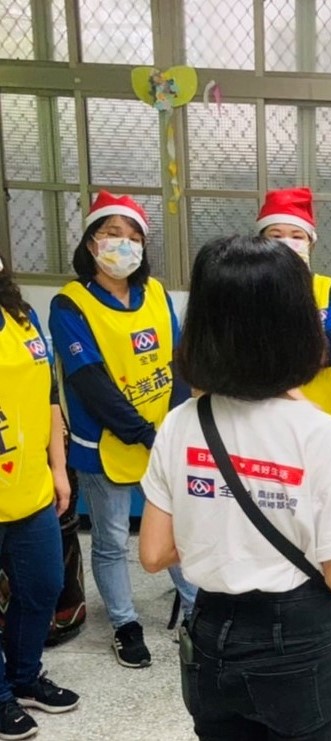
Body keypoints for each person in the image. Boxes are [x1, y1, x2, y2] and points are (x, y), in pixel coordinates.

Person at [138, 235, 331, 741]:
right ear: (299, 327)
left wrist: (225, 534)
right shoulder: (323, 435)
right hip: (298, 643)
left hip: (211, 633)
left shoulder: (182, 423)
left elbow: (153, 553)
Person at [48, 191, 197, 669]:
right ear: (91, 242)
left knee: (178, 528)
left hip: (161, 435)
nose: (123, 244)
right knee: (112, 539)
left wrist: (174, 422)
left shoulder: (155, 293)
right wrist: (146, 433)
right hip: (105, 443)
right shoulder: (69, 305)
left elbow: (177, 362)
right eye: (113, 234)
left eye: (134, 236)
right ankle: (125, 624)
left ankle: (197, 611)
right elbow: (90, 382)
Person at [0, 261, 80, 739]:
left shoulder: (21, 315)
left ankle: (25, 676)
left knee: (44, 586)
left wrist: (58, 468)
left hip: (30, 487)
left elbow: (49, 396)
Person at [256, 187, 331, 421]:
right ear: (260, 242)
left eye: (297, 236)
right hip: (263, 418)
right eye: (276, 235)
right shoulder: (248, 288)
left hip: (321, 416)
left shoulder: (327, 288)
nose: (286, 243)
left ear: (310, 243)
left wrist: (277, 353)